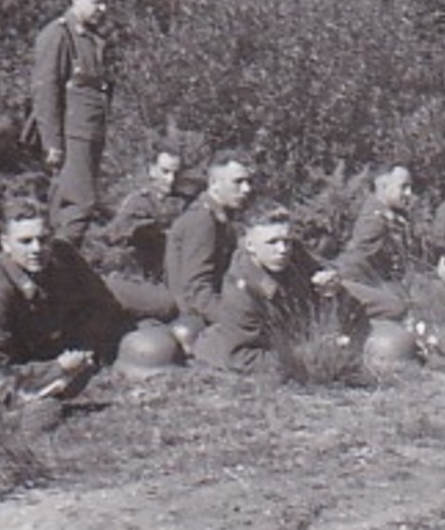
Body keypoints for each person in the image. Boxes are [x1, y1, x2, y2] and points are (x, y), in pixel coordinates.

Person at [0, 194, 131, 400]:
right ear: (5, 244)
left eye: (43, 239)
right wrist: (56, 367)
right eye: (25, 241)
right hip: (34, 366)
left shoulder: (62, 253)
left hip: (73, 346)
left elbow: (102, 302)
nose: (36, 249)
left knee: (159, 311)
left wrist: (87, 345)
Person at [192, 206, 347, 373]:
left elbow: (321, 267)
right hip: (244, 348)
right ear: (250, 245)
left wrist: (331, 279)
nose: (283, 249)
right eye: (272, 242)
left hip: (291, 336)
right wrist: (305, 356)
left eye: (286, 241)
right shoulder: (240, 291)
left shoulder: (289, 252)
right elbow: (241, 357)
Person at [31, 0, 114, 247]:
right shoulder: (58, 35)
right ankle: (59, 269)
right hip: (71, 137)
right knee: (82, 204)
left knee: (65, 208)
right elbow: (45, 91)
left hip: (89, 135)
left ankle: (55, 268)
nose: (102, 8)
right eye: (95, 1)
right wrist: (52, 143)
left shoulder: (92, 40)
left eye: (105, 1)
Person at [165, 149, 255, 335]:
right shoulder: (203, 220)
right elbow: (197, 291)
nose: (246, 189)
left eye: (248, 182)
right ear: (214, 184)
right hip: (194, 318)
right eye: (238, 182)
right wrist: (240, 323)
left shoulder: (221, 217)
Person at [336, 165, 417, 323]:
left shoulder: (394, 215)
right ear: (383, 185)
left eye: (410, 187)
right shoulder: (373, 221)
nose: (409, 194)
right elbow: (355, 261)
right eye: (404, 187)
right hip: (375, 297)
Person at [105, 146, 187, 281]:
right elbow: (115, 233)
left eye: (176, 173)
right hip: (141, 271)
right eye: (165, 172)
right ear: (152, 171)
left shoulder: (182, 204)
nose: (171, 179)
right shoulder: (138, 202)